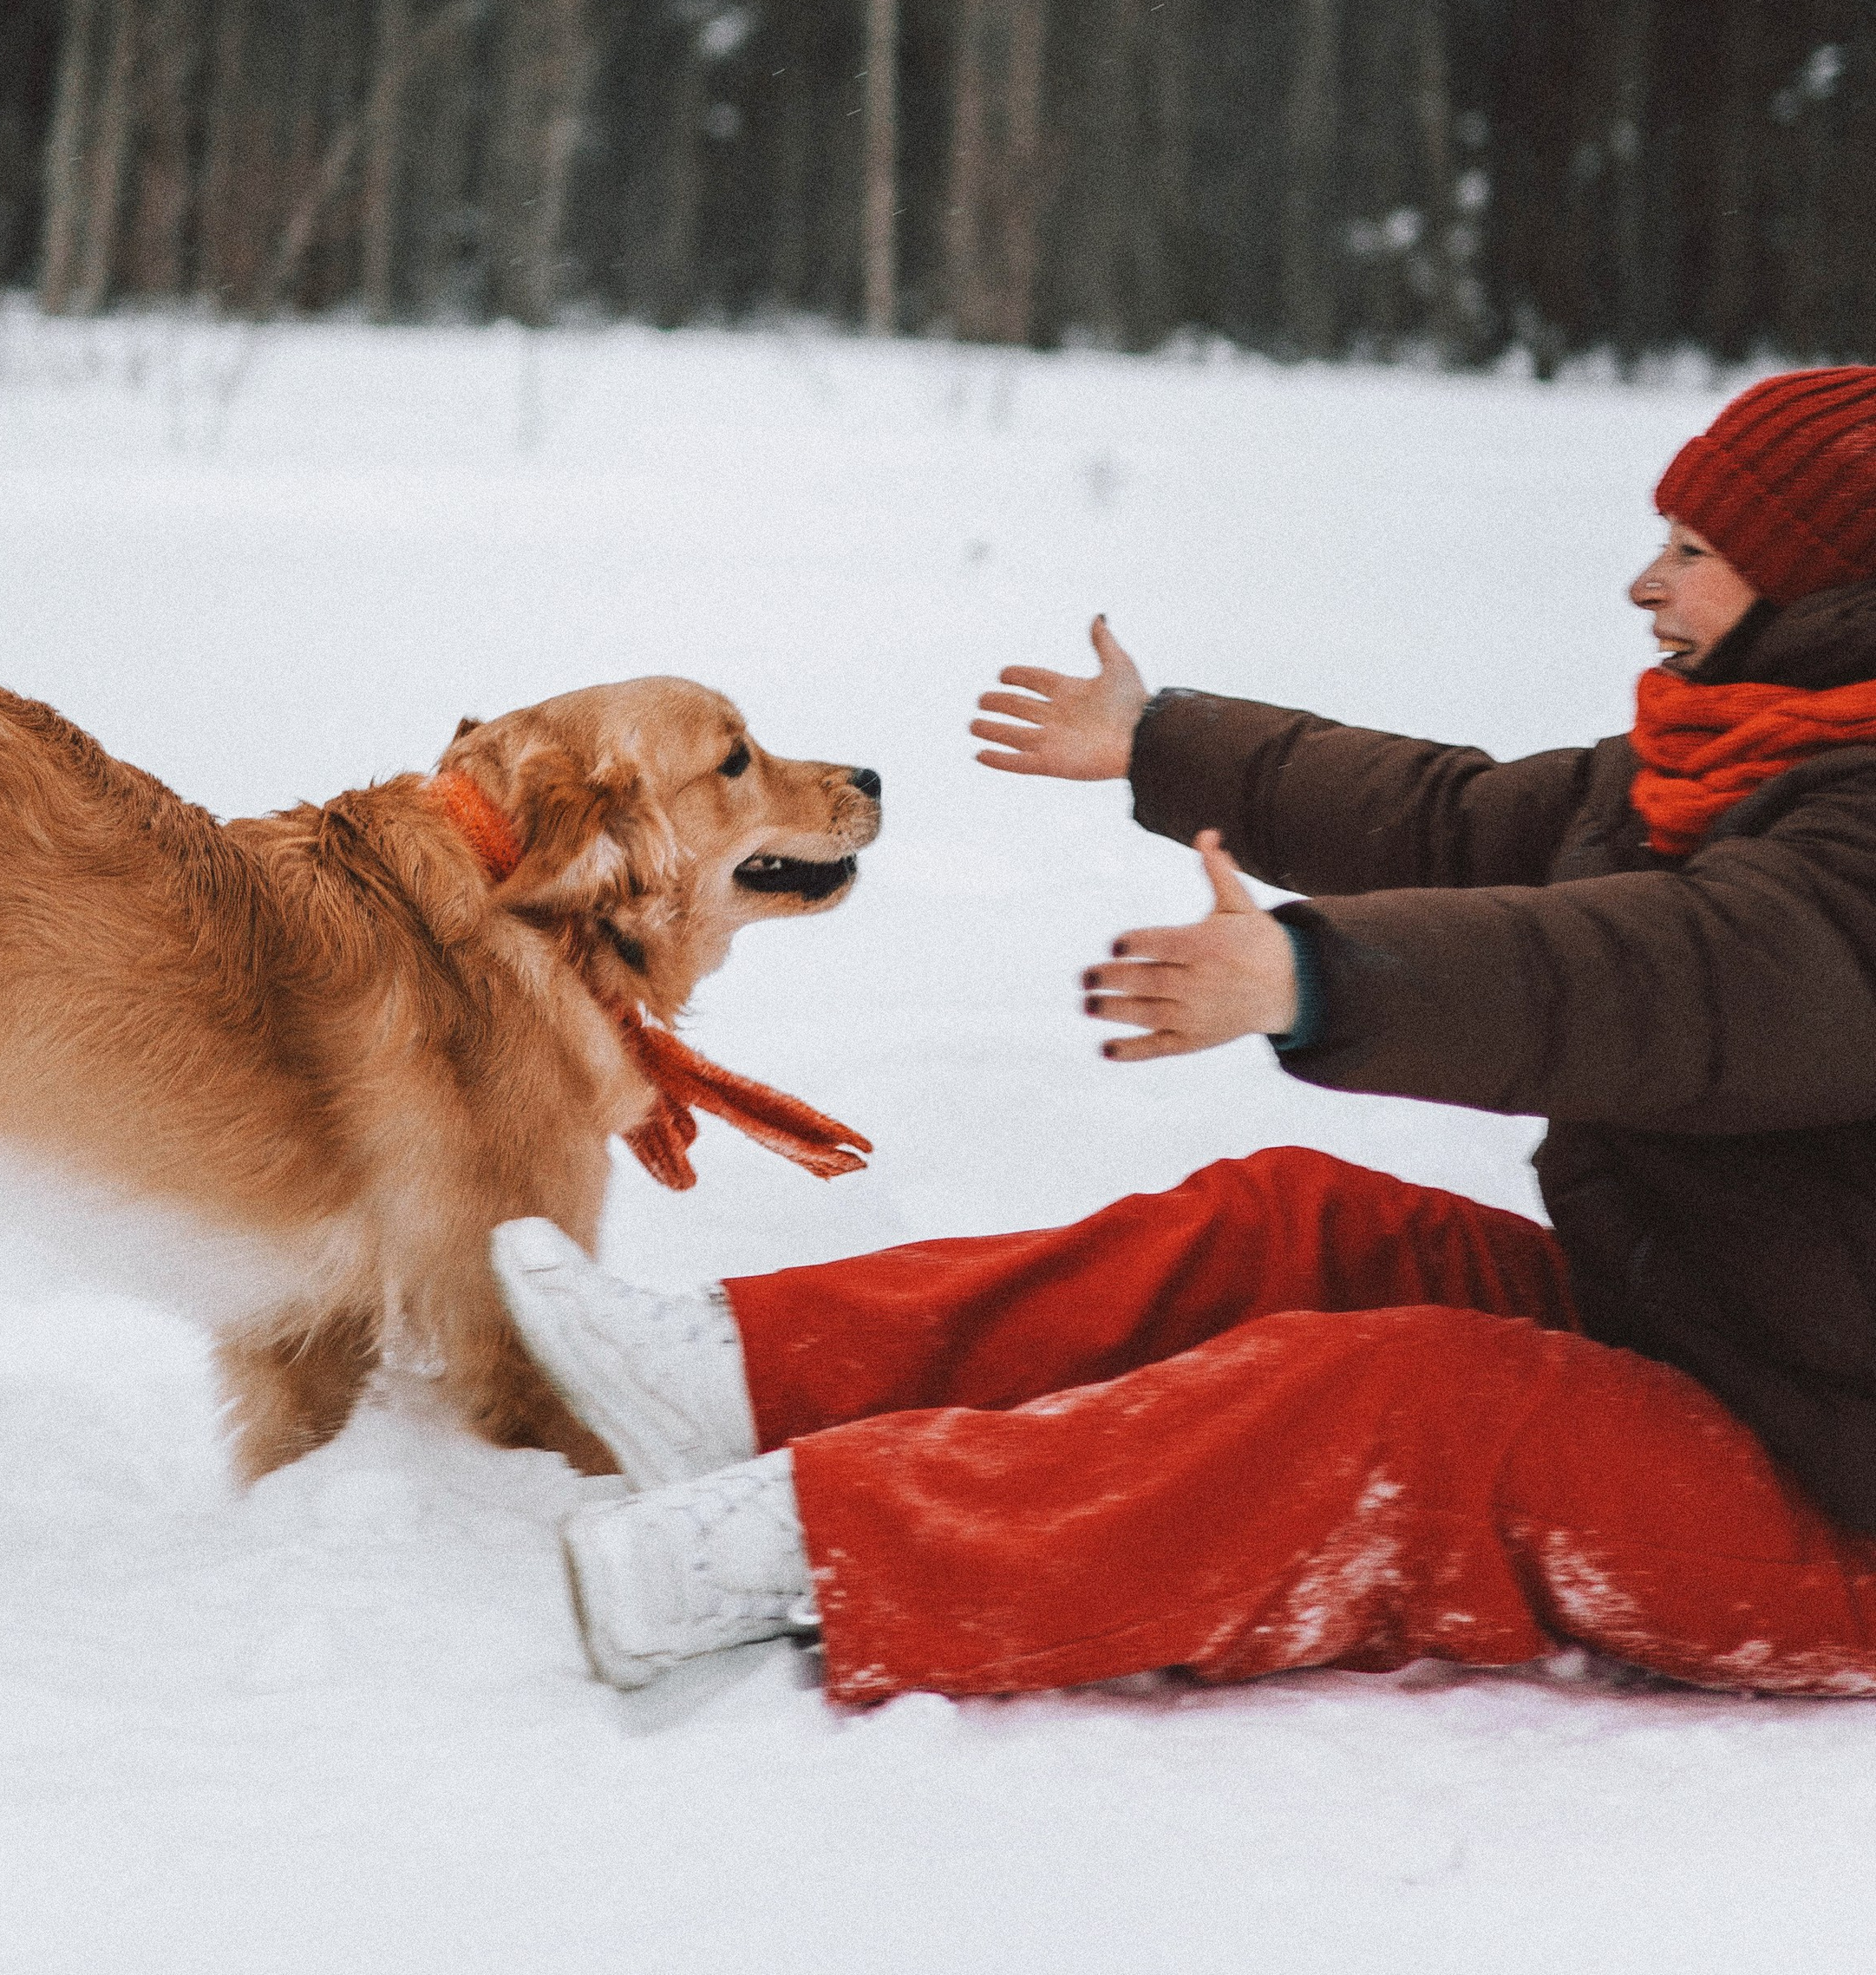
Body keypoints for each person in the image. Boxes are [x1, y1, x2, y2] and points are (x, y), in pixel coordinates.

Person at [492, 368, 1876, 1702]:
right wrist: (1162, 743)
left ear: (1831, 598)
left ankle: (818, 1554)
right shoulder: (1734, 753)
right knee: (1295, 1224)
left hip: (1833, 1497)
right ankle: (737, 1382)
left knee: (1414, 1415)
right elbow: (1458, 822)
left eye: (1694, 552)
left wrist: (1316, 975)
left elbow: (1665, 981)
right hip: (1710, 1330)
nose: (1646, 583)